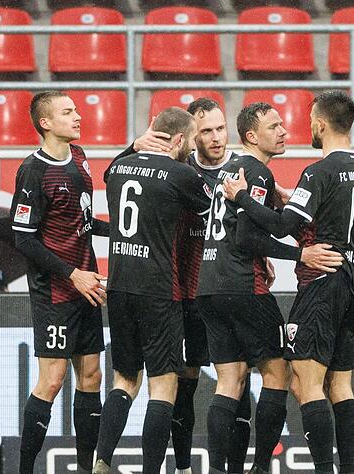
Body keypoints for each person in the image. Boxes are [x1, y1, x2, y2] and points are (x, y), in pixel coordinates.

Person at [222, 91, 354, 473]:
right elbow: (321, 219)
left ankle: (324, 469)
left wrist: (243, 198)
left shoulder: (318, 172)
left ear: (321, 125)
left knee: (305, 384)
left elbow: (282, 226)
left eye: (309, 122)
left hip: (321, 286)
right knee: (340, 386)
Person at [198, 101, 344, 474]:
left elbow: (241, 228)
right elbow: (248, 238)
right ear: (251, 136)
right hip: (244, 287)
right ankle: (261, 466)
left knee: (229, 379)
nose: (283, 131)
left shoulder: (230, 171)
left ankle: (217, 470)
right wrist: (301, 255)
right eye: (274, 126)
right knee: (278, 371)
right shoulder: (256, 173)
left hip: (209, 286)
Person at [116, 97, 254, 474]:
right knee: (184, 385)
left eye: (219, 128)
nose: (215, 137)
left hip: (225, 289)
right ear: (190, 136)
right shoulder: (175, 168)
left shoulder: (242, 170)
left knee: (238, 380)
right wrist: (134, 146)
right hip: (182, 293)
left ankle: (233, 468)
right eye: (206, 130)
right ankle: (181, 467)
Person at [95, 107, 212, 474]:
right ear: (177, 140)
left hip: (118, 284)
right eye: (191, 142)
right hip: (158, 289)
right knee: (163, 386)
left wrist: (131, 148)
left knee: (124, 379)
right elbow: (210, 205)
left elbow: (109, 170)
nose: (194, 149)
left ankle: (101, 460)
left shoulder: (118, 170)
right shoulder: (181, 173)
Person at [9, 91, 110, 474]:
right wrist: (72, 274)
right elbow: (23, 237)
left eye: (77, 109)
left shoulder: (81, 158)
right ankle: (24, 469)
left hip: (87, 286)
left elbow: (84, 222)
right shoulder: (33, 171)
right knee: (52, 380)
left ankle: (86, 469)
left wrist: (125, 232)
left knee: (92, 376)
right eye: (67, 112)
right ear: (45, 123)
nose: (78, 115)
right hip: (55, 290)